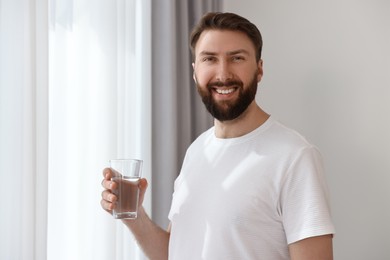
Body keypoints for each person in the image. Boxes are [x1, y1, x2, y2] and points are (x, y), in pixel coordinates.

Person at [101, 12, 335, 260]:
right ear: (195, 71)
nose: (223, 74)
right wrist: (135, 215)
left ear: (259, 69)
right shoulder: (197, 150)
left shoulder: (294, 157)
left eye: (236, 58)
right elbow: (175, 253)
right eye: (210, 59)